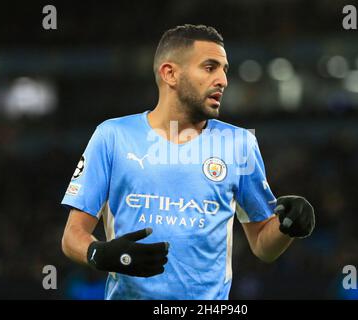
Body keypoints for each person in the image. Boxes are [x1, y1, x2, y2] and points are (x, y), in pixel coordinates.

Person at [61, 24, 315, 300]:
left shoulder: (239, 143)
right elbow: (72, 235)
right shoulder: (113, 136)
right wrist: (99, 253)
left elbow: (263, 246)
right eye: (210, 67)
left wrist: (288, 226)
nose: (223, 80)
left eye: (224, 69)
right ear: (170, 73)